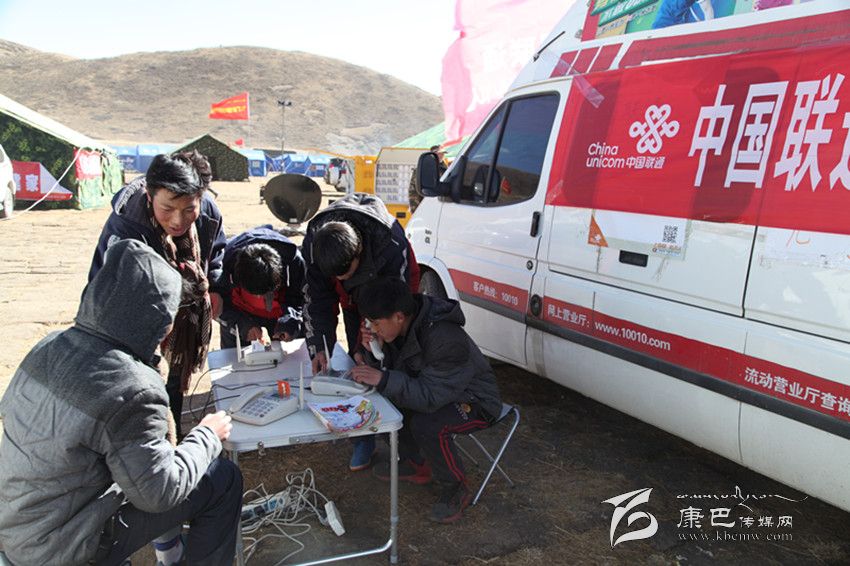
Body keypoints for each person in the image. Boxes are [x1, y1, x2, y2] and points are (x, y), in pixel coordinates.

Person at [0, 240, 242, 566]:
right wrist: (207, 436)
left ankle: (169, 553)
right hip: (62, 546)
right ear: (160, 320)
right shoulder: (134, 389)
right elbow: (160, 492)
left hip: (16, 523)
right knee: (221, 478)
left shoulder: (48, 346)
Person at [88, 150, 226, 437]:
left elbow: (216, 252)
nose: (178, 221)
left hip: (181, 324)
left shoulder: (208, 212)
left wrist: (214, 285)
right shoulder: (127, 230)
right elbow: (110, 294)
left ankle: (171, 439)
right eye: (168, 209)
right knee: (140, 389)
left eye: (188, 209)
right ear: (150, 197)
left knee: (173, 380)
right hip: (131, 323)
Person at [350, 277, 501, 524]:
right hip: (439, 392)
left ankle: (455, 486)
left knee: (426, 424)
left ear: (399, 316)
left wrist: (384, 378)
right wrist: (376, 351)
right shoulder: (402, 327)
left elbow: (430, 396)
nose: (373, 329)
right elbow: (403, 374)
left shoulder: (445, 338)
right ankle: (416, 463)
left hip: (475, 401)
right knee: (384, 405)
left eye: (376, 323)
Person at [301, 193, 420, 471]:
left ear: (359, 252)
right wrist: (319, 346)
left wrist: (376, 334)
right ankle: (362, 437)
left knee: (388, 359)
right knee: (358, 365)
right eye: (335, 277)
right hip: (354, 300)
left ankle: (405, 440)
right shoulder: (315, 245)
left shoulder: (389, 243)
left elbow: (396, 306)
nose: (341, 280)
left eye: (346, 273)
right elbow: (317, 300)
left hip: (390, 298)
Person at [216, 225, 306, 348]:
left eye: (268, 293)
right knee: (234, 357)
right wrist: (241, 323)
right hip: (240, 312)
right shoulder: (222, 264)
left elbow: (302, 299)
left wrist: (291, 318)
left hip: (281, 313)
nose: (262, 298)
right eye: (255, 294)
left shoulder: (294, 262)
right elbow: (217, 306)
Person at [408, 145, 448, 214]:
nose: (442, 155)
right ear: (433, 154)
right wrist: (415, 210)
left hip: (441, 208)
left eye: (443, 153)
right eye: (439, 153)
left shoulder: (445, 169)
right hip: (425, 207)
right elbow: (413, 191)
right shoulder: (423, 169)